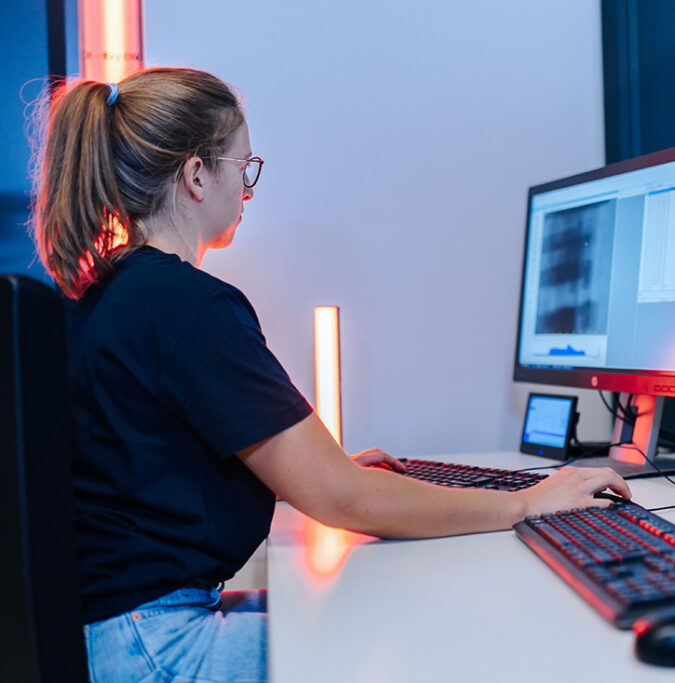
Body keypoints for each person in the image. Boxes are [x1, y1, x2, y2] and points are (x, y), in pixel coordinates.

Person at [33, 68, 631, 683]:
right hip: (155, 647)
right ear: (195, 175)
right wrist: (528, 503)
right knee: (420, 636)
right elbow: (338, 499)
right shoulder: (188, 306)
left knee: (363, 607)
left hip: (108, 638)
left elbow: (168, 466)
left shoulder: (109, 293)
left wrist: (332, 470)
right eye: (245, 169)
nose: (249, 190)